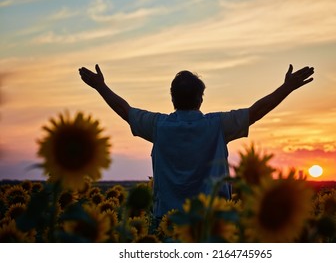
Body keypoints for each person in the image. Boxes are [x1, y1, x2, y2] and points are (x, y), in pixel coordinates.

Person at [78, 64, 314, 219]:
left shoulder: (158, 126)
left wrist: (101, 86)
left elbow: (124, 110)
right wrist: (287, 87)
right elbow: (256, 111)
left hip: (168, 224)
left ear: (172, 98)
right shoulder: (218, 125)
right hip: (212, 225)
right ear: (201, 98)